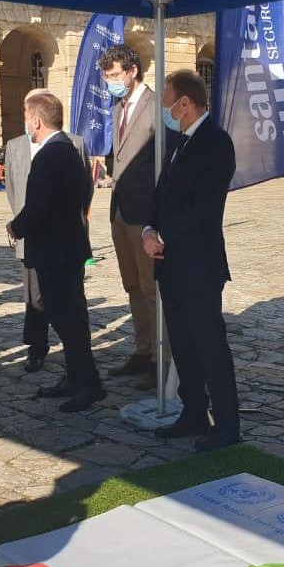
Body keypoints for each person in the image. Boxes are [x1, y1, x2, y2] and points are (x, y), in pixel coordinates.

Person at [144, 70, 241, 452]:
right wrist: (149, 229)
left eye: (168, 101)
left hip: (198, 263)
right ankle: (194, 411)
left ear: (185, 103)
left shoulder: (216, 143)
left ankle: (228, 424)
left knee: (209, 345)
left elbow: (204, 205)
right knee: (182, 343)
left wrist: (163, 236)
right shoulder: (179, 141)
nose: (165, 108)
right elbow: (161, 192)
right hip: (171, 262)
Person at [8, 92, 104, 411]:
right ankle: (75, 378)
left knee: (68, 321)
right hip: (65, 249)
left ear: (36, 120)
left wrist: (15, 227)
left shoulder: (51, 155)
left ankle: (89, 384)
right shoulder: (67, 149)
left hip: (57, 252)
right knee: (69, 319)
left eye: (26, 116)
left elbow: (38, 206)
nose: (25, 122)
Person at [100, 45, 158, 390]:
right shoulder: (119, 105)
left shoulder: (155, 106)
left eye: (116, 76)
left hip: (144, 212)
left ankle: (160, 360)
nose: (111, 83)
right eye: (107, 77)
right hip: (120, 209)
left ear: (133, 70)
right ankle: (142, 349)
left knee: (151, 287)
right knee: (132, 284)